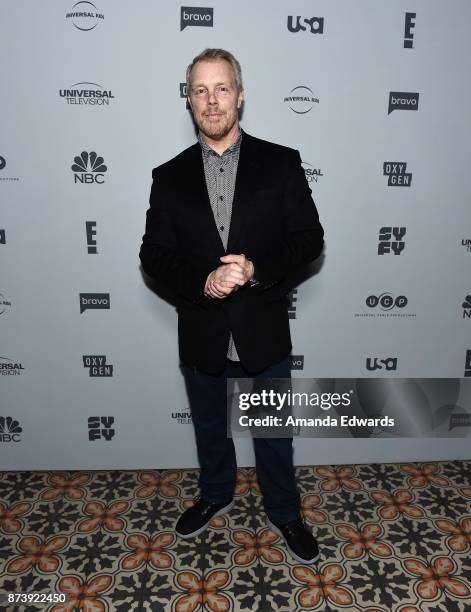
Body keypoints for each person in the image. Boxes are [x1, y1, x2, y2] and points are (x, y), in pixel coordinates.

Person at [139, 48, 324, 564]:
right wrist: (204, 280)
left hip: (262, 330)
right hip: (202, 331)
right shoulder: (168, 176)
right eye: (200, 90)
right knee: (209, 431)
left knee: (273, 436)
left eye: (221, 88)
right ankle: (216, 494)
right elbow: (153, 254)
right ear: (189, 101)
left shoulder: (281, 163)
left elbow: (309, 238)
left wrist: (254, 268)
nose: (211, 100)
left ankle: (285, 512)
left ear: (240, 96)